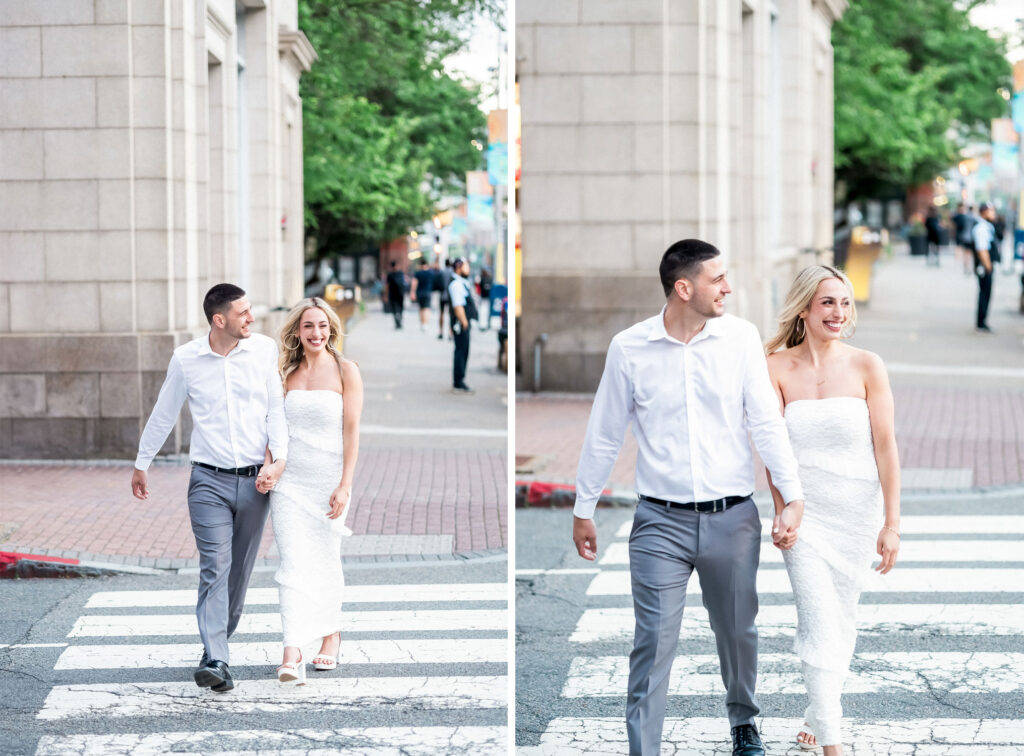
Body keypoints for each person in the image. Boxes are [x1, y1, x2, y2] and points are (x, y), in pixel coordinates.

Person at [572, 239, 806, 756]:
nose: (728, 287)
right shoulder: (629, 347)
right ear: (685, 287)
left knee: (738, 632)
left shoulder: (741, 338)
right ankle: (644, 749)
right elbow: (605, 432)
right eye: (717, 278)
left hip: (733, 517)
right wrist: (583, 507)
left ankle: (744, 721)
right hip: (659, 522)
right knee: (652, 642)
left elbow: (764, 420)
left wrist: (792, 494)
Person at [765, 265, 901, 755]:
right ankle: (832, 741)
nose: (838, 313)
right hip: (805, 518)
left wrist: (891, 524)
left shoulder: (868, 365)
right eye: (827, 303)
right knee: (819, 621)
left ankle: (813, 716)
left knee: (841, 620)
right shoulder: (775, 367)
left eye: (844, 303)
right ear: (804, 307)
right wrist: (783, 511)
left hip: (855, 514)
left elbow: (886, 447)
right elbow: (772, 450)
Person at [131, 283, 288, 693]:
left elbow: (276, 411)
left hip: (256, 481)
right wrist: (142, 462)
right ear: (220, 320)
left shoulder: (264, 350)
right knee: (214, 565)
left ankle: (216, 639)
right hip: (207, 481)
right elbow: (164, 412)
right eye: (243, 313)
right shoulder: (186, 359)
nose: (251, 318)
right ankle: (217, 657)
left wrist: (278, 460)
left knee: (239, 573)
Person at [261, 297, 363, 684]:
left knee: (323, 559)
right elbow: (275, 428)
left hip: (328, 482)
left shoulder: (346, 371)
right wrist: (270, 465)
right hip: (289, 484)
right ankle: (292, 650)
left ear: (331, 329)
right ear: (297, 331)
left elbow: (352, 432)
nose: (316, 333)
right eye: (308, 326)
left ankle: (331, 634)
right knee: (292, 565)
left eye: (322, 325)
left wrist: (344, 486)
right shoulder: (285, 373)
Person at [448, 257, 478, 394]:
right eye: (466, 266)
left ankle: (459, 381)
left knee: (463, 351)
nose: (468, 269)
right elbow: (458, 305)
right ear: (459, 267)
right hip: (461, 324)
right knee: (461, 351)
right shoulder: (456, 284)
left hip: (462, 323)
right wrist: (464, 322)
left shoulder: (461, 283)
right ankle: (458, 382)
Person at [971, 203, 999, 333]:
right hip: (984, 267)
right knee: (985, 293)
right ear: (984, 212)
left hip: (986, 266)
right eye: (991, 211)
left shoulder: (987, 226)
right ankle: (981, 322)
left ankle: (982, 321)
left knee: (986, 293)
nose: (993, 213)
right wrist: (988, 266)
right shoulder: (982, 228)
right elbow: (982, 249)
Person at [411, 258, 435, 332]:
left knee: (421, 309)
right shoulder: (430, 273)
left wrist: (412, 292)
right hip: (428, 292)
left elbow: (414, 283)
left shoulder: (418, 273)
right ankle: (425, 324)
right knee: (427, 309)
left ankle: (422, 323)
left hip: (420, 293)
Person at [952, 203, 975, 275]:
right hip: (970, 237)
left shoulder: (965, 217)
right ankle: (969, 267)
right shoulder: (973, 217)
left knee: (966, 253)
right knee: (969, 253)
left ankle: (966, 267)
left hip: (965, 237)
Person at [435, 258, 455, 340]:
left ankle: (441, 332)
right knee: (451, 315)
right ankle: (450, 333)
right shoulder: (453, 273)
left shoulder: (441, 272)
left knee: (441, 313)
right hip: (451, 296)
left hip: (442, 295)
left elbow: (437, 284)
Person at [385, 261, 407, 330]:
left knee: (394, 308)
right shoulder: (401, 273)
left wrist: (386, 295)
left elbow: (387, 286)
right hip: (400, 293)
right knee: (400, 307)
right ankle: (399, 319)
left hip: (393, 294)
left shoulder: (390, 275)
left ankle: (397, 321)